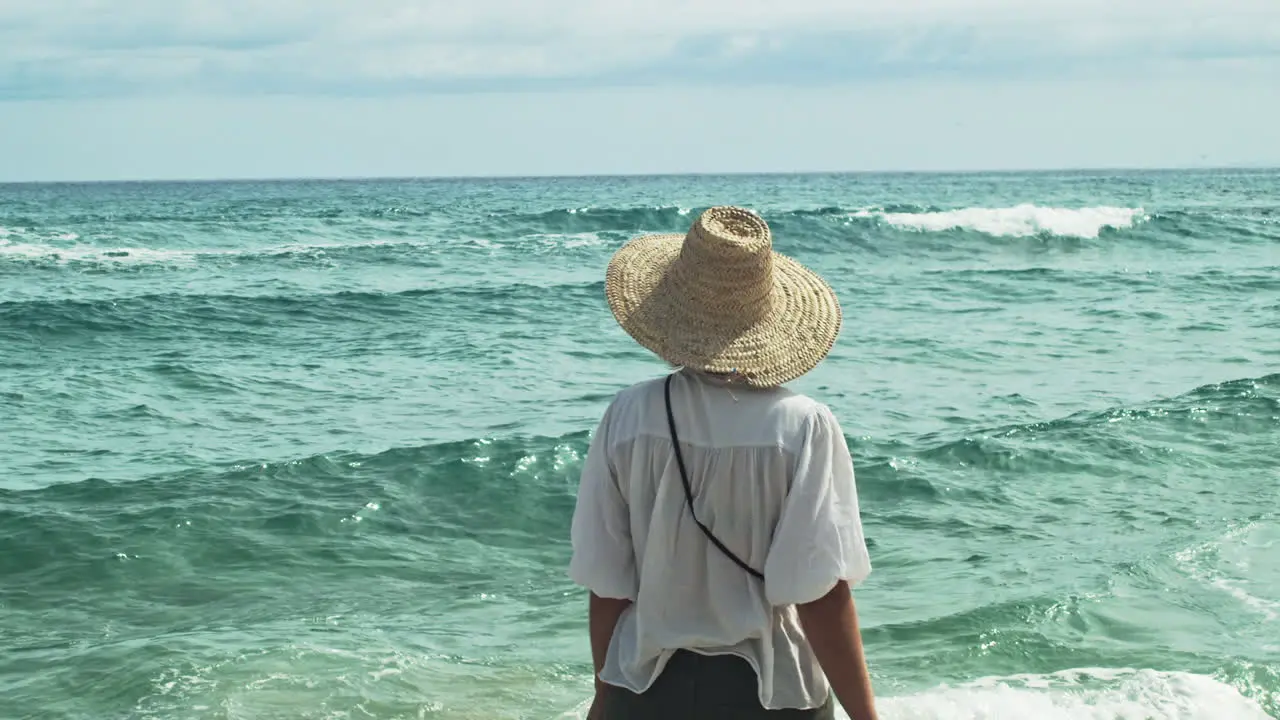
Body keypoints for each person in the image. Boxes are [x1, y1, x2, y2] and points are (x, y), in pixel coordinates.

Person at [568, 206, 879, 720]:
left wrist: (605, 697)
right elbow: (818, 592)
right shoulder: (802, 426)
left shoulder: (628, 415)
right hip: (769, 693)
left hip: (645, 691)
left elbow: (608, 583)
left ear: (671, 308)